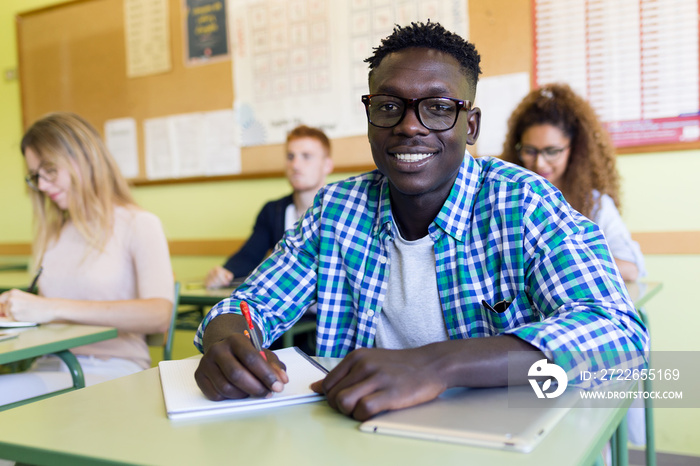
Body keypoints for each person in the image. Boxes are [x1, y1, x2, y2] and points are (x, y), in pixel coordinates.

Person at [193, 21, 648, 422]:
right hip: (364, 434)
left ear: (469, 126)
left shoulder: (522, 202)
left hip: (499, 438)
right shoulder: (336, 210)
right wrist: (227, 341)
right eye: (389, 106)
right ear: (370, 118)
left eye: (437, 107)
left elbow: (618, 333)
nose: (409, 126)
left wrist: (436, 364)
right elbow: (249, 305)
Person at [0, 112, 174, 406]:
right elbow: (49, 314)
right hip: (51, 364)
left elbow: (160, 315)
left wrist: (49, 308)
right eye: (35, 176)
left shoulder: (138, 223)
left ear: (84, 159)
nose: (41, 185)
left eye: (50, 170)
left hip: (112, 369)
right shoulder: (53, 233)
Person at [501, 83, 645, 281]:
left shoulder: (595, 203)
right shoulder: (504, 200)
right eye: (530, 150)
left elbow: (631, 269)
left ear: (573, 149)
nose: (539, 162)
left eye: (552, 151)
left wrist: (559, 263)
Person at [204, 125, 334, 289]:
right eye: (290, 156)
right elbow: (249, 256)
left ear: (327, 165)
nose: (295, 165)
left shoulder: (343, 210)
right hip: (287, 311)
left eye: (306, 156)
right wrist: (222, 273)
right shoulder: (273, 211)